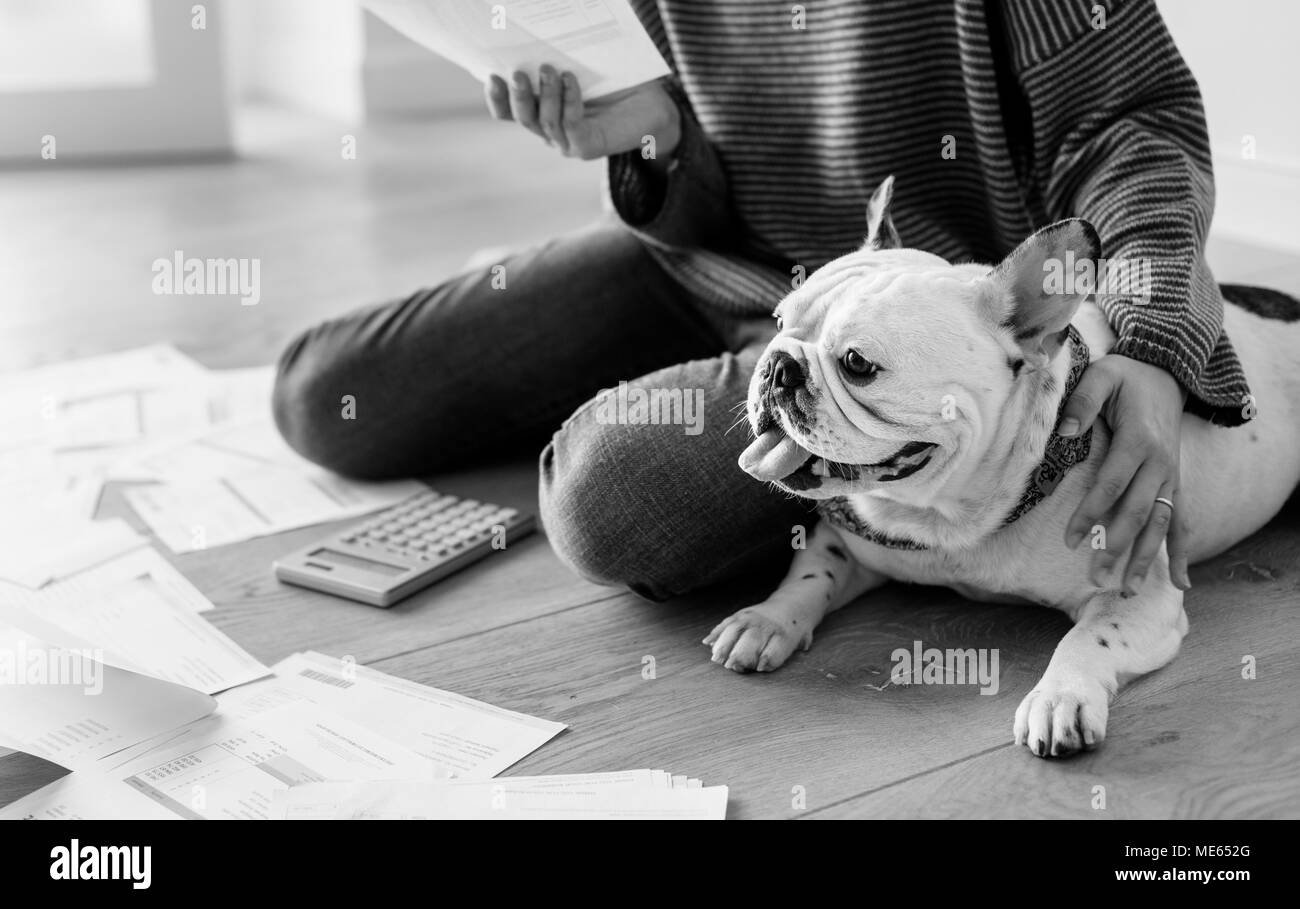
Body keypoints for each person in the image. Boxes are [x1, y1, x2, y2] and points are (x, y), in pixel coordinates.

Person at [272, 0, 1252, 602]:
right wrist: (654, 139)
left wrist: (1152, 333)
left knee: (610, 504)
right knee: (322, 395)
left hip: (909, 336)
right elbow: (697, 180)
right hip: (722, 270)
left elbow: (1130, 125)